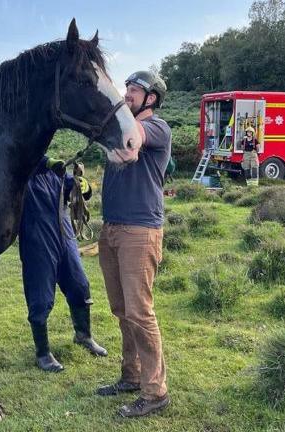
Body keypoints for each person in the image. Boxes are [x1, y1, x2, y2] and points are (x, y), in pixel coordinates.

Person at [96, 71, 171, 417]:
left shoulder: (157, 129)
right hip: (112, 231)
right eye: (125, 88)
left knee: (140, 312)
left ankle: (155, 392)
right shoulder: (122, 128)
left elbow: (134, 135)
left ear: (151, 98)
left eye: (134, 90)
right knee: (121, 309)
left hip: (140, 232)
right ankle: (131, 375)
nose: (127, 94)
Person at [19, 156, 107, 372]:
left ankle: (83, 336)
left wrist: (81, 182)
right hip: (37, 242)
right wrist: (46, 162)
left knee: (80, 286)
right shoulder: (22, 174)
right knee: (40, 298)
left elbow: (81, 192)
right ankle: (42, 353)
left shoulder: (57, 174)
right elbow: (31, 164)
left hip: (66, 238)